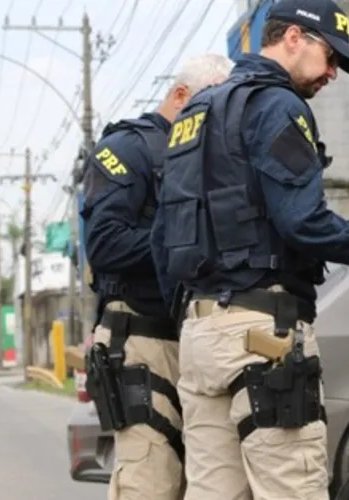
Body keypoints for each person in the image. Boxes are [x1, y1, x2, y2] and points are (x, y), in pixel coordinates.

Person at [150, 1, 349, 498]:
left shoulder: (194, 114)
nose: (332, 73)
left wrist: (192, 317)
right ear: (293, 37)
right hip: (263, 335)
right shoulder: (277, 105)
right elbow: (303, 221)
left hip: (200, 336)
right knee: (293, 489)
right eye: (330, 56)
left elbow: (162, 236)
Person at [81, 53, 234, 500]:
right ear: (181, 95)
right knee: (151, 481)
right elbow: (104, 244)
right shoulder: (129, 148)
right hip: (141, 340)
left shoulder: (205, 155)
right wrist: (183, 239)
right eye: (209, 104)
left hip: (195, 339)